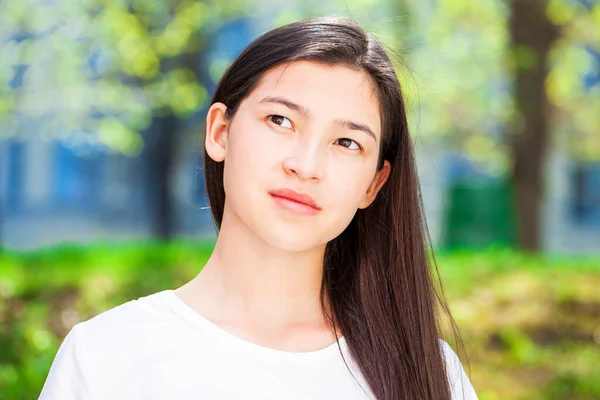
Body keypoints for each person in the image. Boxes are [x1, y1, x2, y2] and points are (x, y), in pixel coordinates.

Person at [40, 15, 478, 400]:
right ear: (219, 132)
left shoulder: (429, 373)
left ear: (374, 184)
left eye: (346, 143)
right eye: (280, 121)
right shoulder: (105, 356)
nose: (305, 166)